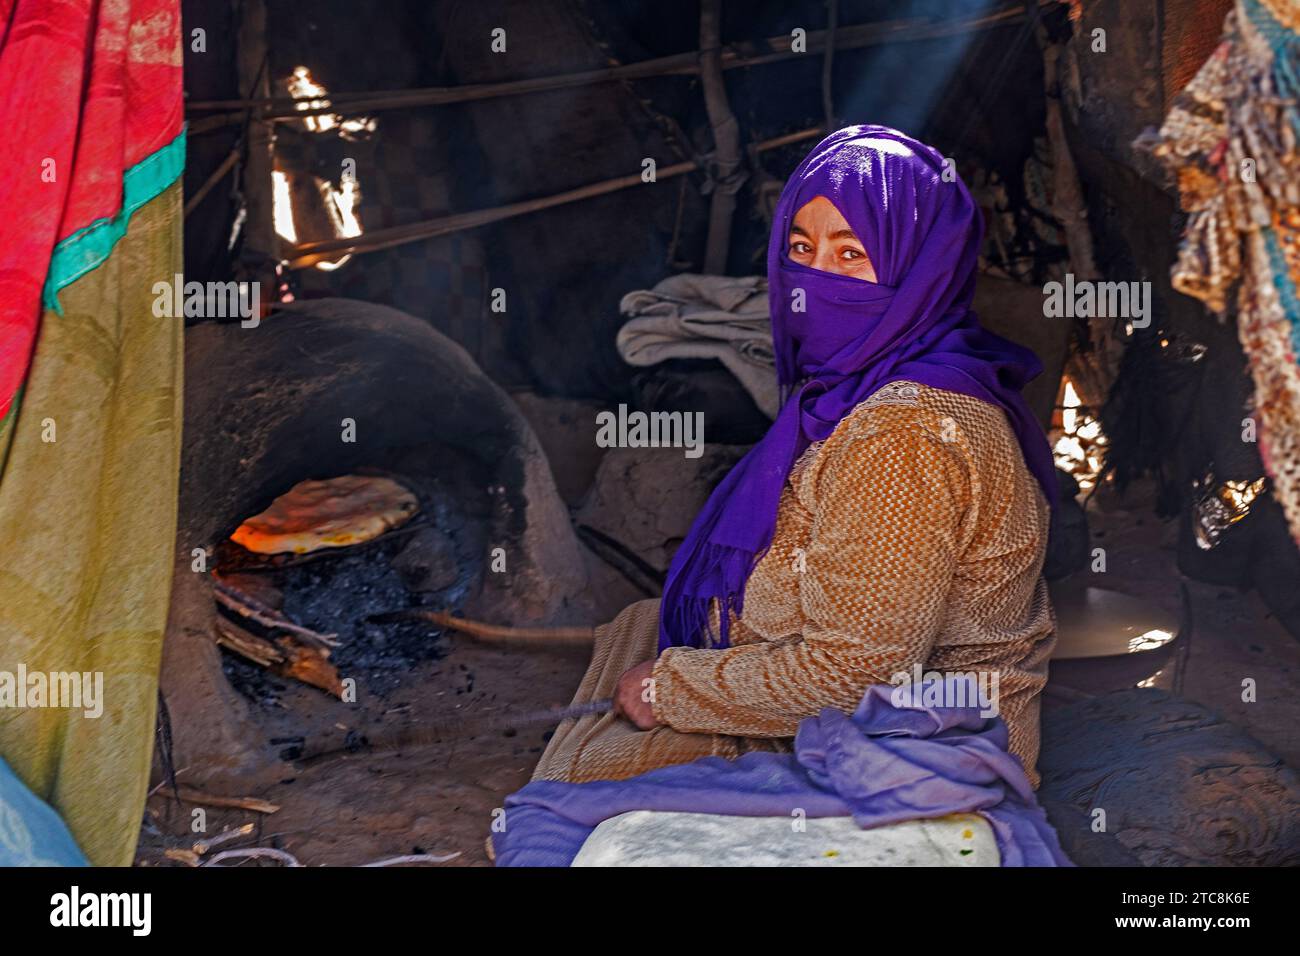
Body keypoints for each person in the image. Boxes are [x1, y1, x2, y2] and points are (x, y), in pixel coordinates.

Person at [533, 125, 1058, 790]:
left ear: (920, 265)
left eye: (851, 256)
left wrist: (674, 690)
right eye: (803, 250)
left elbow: (853, 676)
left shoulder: (905, 434)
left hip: (910, 750)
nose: (815, 283)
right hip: (870, 703)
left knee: (563, 796)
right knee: (638, 631)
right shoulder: (871, 383)